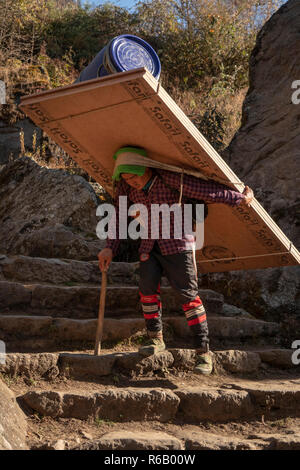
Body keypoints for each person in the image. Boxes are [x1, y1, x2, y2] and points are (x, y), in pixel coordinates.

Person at [98, 146, 254, 375]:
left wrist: (240, 198)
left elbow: (207, 191)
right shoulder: (125, 188)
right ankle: (155, 338)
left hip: (178, 244)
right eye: (126, 178)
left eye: (134, 176)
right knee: (147, 290)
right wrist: (109, 248)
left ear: (145, 168)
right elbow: (120, 216)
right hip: (149, 245)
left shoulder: (171, 178)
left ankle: (203, 353)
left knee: (188, 296)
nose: (131, 182)